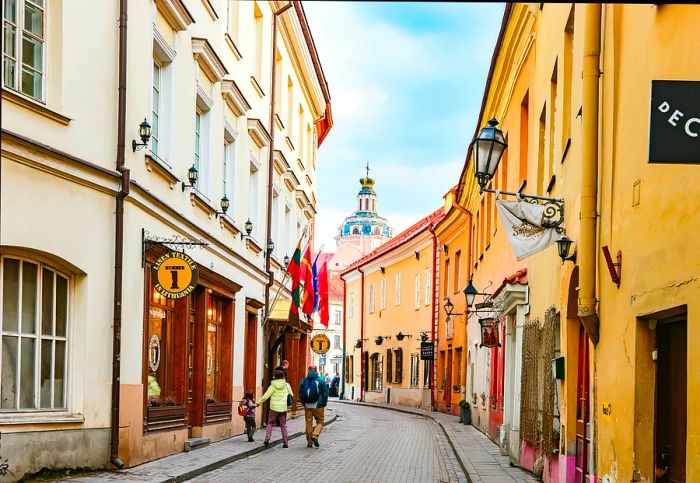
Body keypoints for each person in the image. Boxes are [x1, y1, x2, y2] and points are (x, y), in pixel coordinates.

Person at [257, 369, 293, 448]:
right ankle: (285, 442)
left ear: (275, 377)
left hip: (274, 408)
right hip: (283, 408)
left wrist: (258, 403)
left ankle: (267, 439)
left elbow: (266, 396)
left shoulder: (272, 386)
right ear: (283, 376)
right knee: (283, 425)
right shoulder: (287, 385)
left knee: (270, 423)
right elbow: (291, 395)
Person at [298, 365, 329, 448]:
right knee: (320, 421)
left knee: (308, 422)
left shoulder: (303, 381)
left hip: (307, 405)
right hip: (318, 405)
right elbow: (325, 394)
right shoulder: (320, 381)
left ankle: (309, 442)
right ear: (316, 370)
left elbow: (300, 394)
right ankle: (315, 435)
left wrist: (304, 403)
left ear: (308, 370)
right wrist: (323, 403)